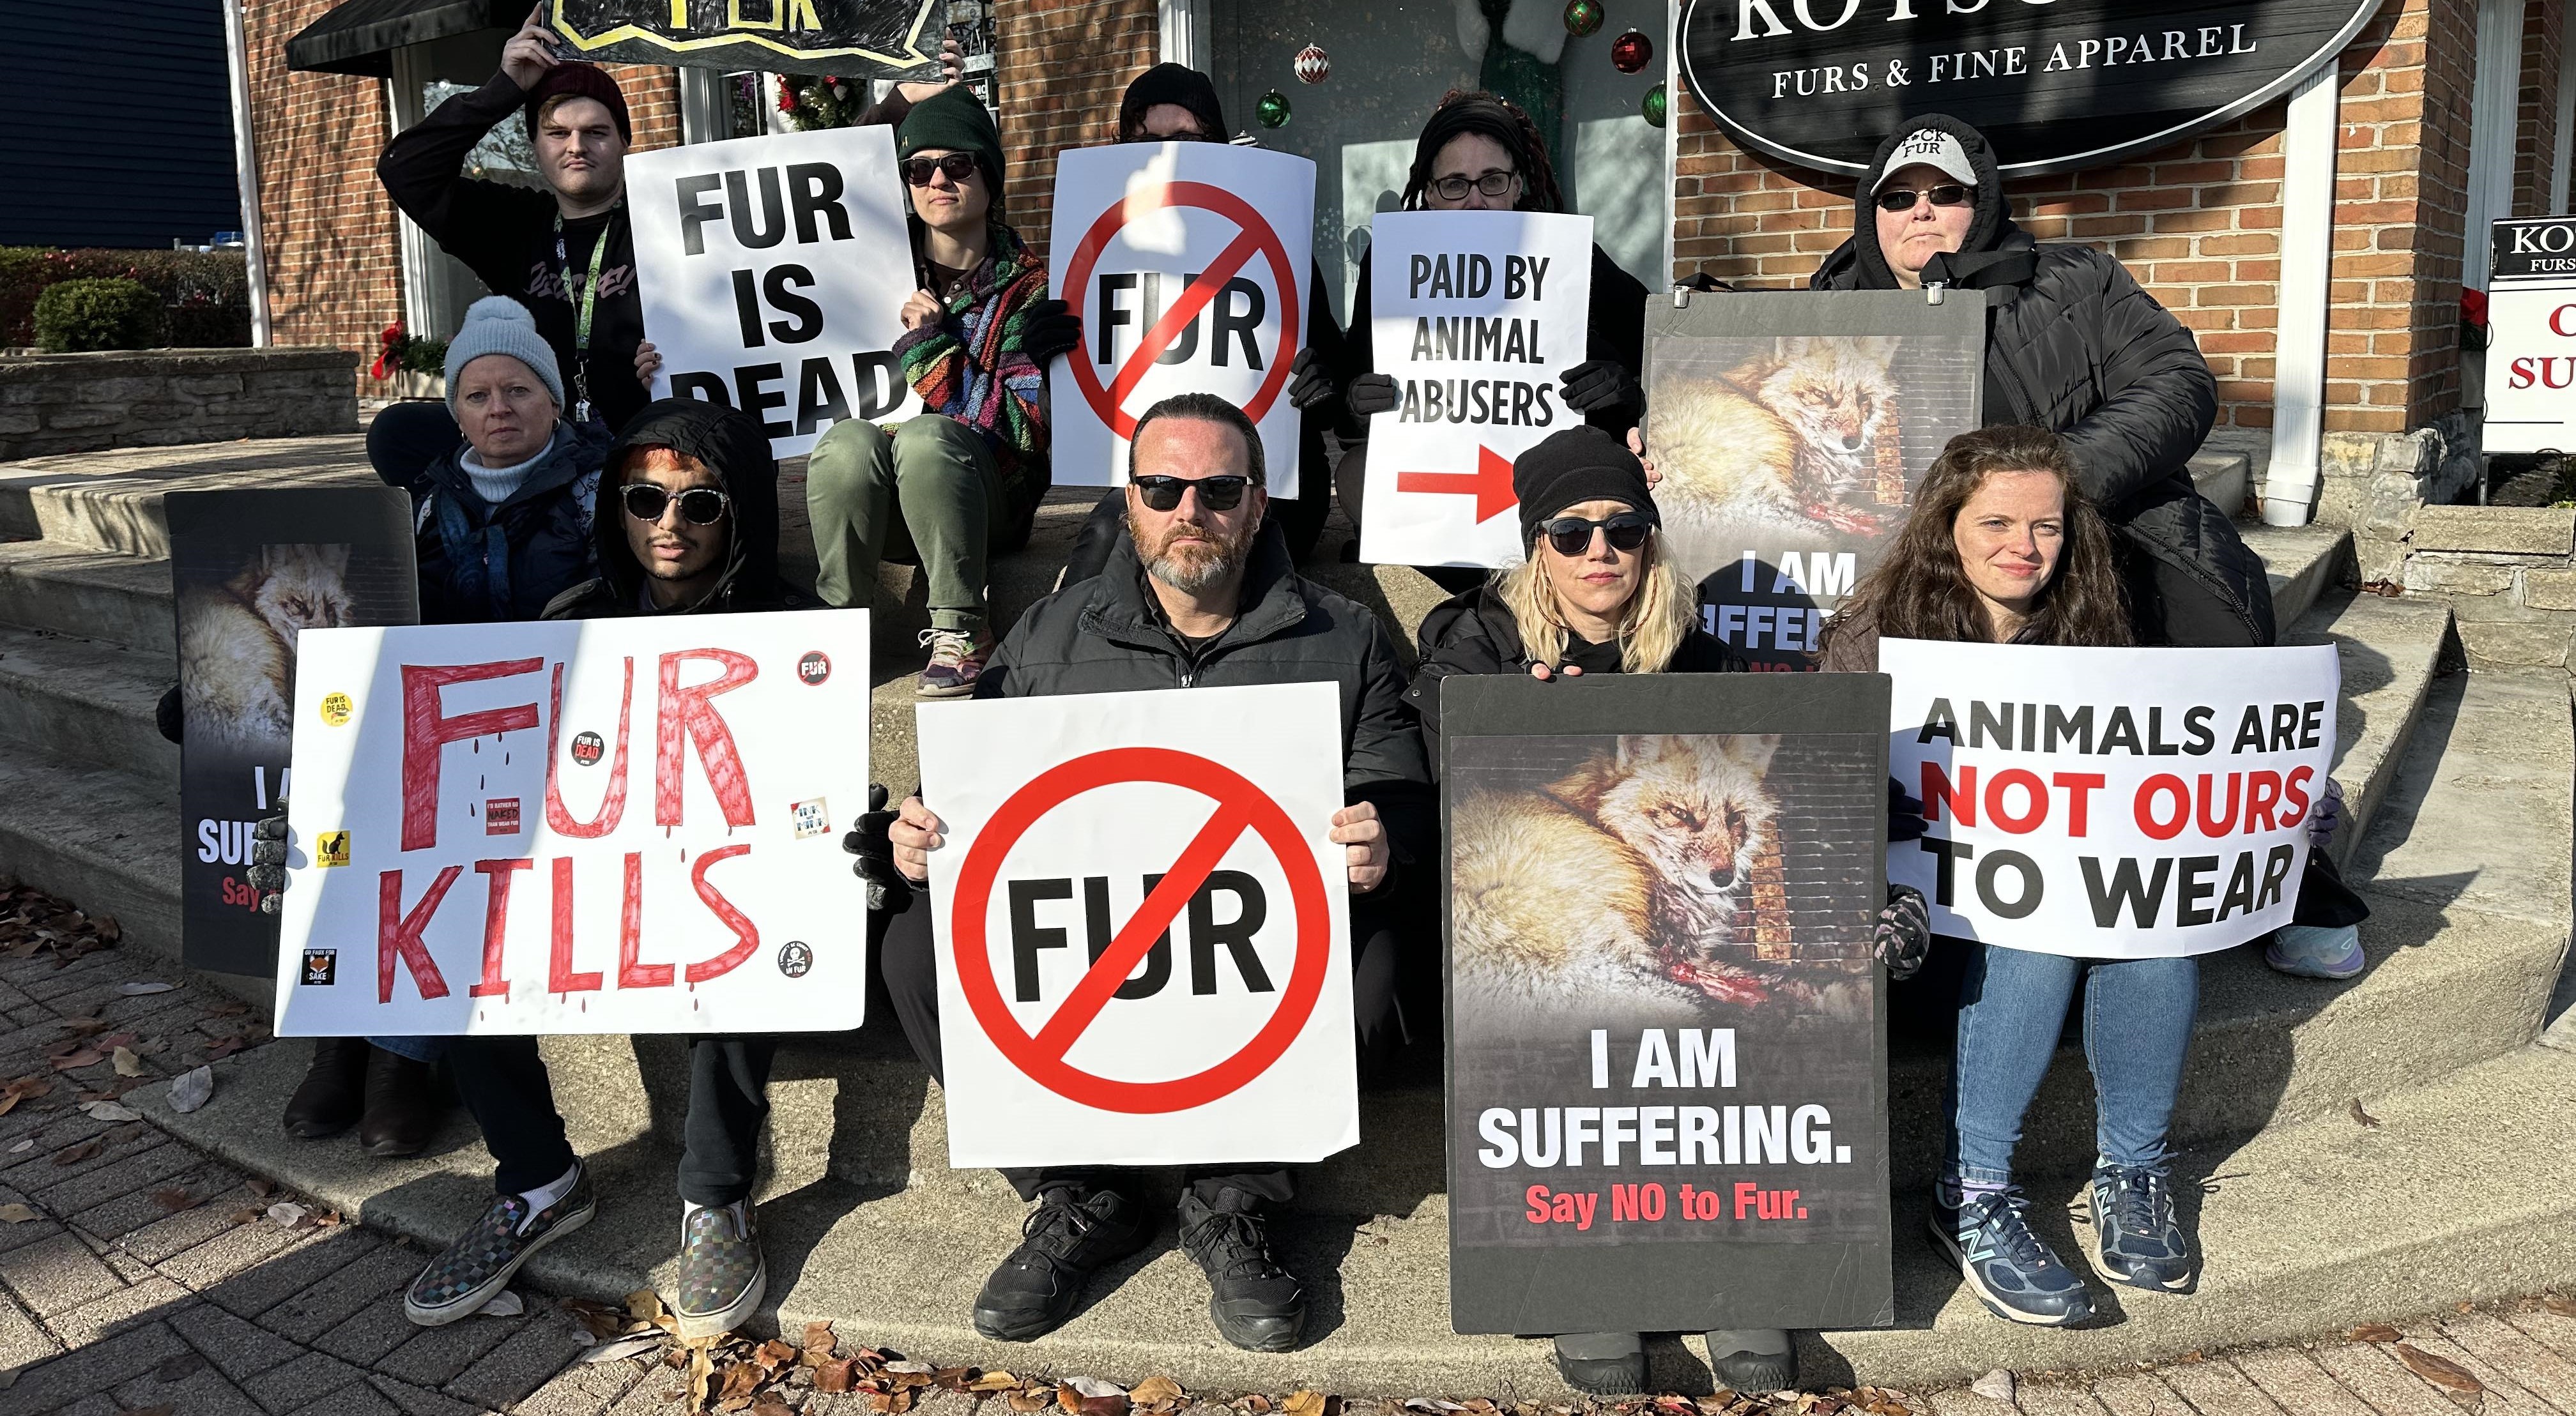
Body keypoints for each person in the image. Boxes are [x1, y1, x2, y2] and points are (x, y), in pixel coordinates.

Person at [852, 392, 1434, 1354]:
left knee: (1378, 960)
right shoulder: (1045, 636)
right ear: (1129, 505)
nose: (1189, 509)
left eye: (1218, 489)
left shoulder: (1344, 634)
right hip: (1092, 933)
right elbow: (963, 799)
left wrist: (1387, 843)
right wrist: (915, 838)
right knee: (916, 947)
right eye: (1162, 487)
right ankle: (1082, 1193)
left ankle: (1234, 1198)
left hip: (1256, 933)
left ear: (1257, 505)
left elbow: (1402, 795)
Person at [254, 399, 804, 1337]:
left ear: (742, 506)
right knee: (455, 898)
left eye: (700, 503)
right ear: (617, 506)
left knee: (748, 914)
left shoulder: (798, 630)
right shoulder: (568, 619)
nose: (667, 525)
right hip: (591, 883)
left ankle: (716, 1194)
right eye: (644, 498)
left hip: (715, 891)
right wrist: (308, 812)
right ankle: (537, 1177)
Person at [1408, 425, 1924, 1394]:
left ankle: (1741, 1261)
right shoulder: (1473, 646)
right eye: (1570, 533)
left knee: (1731, 1046)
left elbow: (1800, 805)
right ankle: (1583, 1274)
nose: (1599, 551)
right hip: (1540, 905)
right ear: (1535, 547)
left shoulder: (1704, 654)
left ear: (1651, 541)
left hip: (1682, 920)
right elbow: (1442, 794)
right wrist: (1520, 731)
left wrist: (1876, 896)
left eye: (1623, 529)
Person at [1819, 425, 2189, 1327]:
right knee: (2031, 937)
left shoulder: (2099, 633)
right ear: (1945, 527)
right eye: (1995, 524)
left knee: (2154, 929)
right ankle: (1973, 1194)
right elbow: (1817, 804)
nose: (2024, 548)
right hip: (1926, 933)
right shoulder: (1870, 641)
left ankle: (2133, 1170)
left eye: (2048, 528)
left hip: (2063, 904)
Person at [278, 296, 616, 1158]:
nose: (497, 408)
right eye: (476, 394)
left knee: (449, 836)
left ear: (552, 399)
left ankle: (403, 1059)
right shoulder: (420, 503)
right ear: (454, 410)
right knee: (356, 809)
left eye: (517, 390)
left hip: (552, 727)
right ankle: (340, 1040)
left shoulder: (600, 490)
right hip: (436, 721)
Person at [1808, 114, 2272, 653]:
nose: (1921, 209)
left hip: (2070, 544)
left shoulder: (2074, 279)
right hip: (1894, 556)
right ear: (1873, 217)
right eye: (1898, 197)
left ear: (1980, 205)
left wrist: (2055, 477)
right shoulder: (1825, 313)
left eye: (1946, 191)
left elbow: (2177, 380)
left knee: (2211, 661)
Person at [796, 86, 1077, 697]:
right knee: (843, 444)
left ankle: (962, 626)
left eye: (957, 164)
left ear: (990, 177)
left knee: (925, 438)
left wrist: (931, 350)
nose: (937, 180)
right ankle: (842, 629)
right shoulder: (870, 269)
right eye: (919, 168)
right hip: (885, 499)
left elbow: (1026, 429)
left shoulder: (1031, 290)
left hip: (988, 501)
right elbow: (821, 180)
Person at [1055, 63, 1351, 579]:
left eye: (1185, 138)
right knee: (1105, 540)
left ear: (1215, 143)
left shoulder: (1279, 234)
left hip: (1265, 479)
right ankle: (1057, 654)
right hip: (1158, 472)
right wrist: (1053, 356)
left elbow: (1336, 384)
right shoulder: (1109, 247)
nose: (1166, 153)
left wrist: (1323, 383)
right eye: (1145, 139)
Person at [1330, 91, 1652, 556]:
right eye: (1456, 184)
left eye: (1493, 181)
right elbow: (1348, 402)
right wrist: (1359, 399)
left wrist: (1622, 386)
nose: (1476, 202)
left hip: (1556, 484)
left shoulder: (1566, 255)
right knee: (1355, 474)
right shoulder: (1389, 260)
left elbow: (1657, 349)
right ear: (1429, 192)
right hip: (1433, 479)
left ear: (1518, 185)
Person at [376, 8, 651, 461]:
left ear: (625, 141)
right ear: (535, 145)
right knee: (397, 432)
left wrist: (683, 372)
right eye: (557, 132)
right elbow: (405, 170)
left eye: (596, 132)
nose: (576, 146)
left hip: (644, 439)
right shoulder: (517, 223)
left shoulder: (666, 222)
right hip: (535, 443)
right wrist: (504, 88)